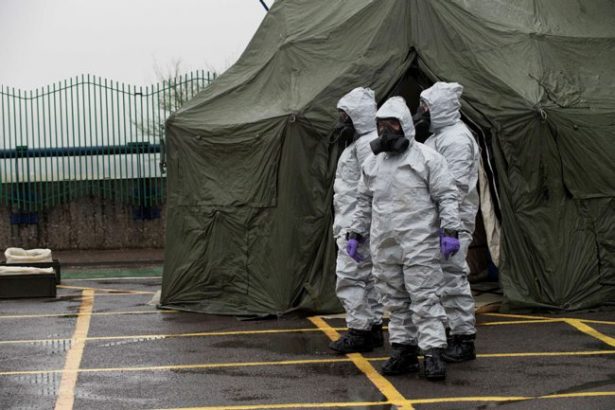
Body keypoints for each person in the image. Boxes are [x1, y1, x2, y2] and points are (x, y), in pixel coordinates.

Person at [347, 96, 461, 381]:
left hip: (418, 242)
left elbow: (446, 195)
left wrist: (449, 230)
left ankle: (433, 352)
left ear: (405, 126)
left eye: (392, 124)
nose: (386, 131)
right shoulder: (374, 163)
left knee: (424, 298)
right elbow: (362, 201)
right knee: (395, 301)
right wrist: (355, 232)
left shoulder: (427, 158)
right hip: (385, 244)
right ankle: (404, 351)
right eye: (381, 125)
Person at [419, 82, 480, 363]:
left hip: (453, 222)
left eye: (426, 107)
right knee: (441, 278)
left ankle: (463, 338)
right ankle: (450, 332)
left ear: (440, 108)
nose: (421, 112)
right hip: (438, 220)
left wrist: (450, 227)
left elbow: (453, 188)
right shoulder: (437, 138)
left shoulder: (456, 139)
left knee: (453, 277)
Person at [329, 87, 384, 354]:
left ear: (358, 116)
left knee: (350, 278)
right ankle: (372, 328)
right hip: (357, 224)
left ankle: (359, 330)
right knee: (368, 279)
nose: (341, 121)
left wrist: (356, 228)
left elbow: (369, 190)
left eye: (344, 116)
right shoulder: (362, 144)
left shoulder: (366, 146)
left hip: (356, 226)